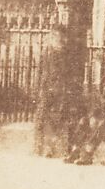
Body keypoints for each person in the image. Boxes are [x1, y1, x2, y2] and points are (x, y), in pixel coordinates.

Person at [34, 24, 81, 158]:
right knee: (44, 118)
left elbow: (71, 73)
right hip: (47, 88)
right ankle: (45, 147)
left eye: (59, 36)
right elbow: (41, 71)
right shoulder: (47, 52)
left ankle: (65, 148)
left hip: (62, 90)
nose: (57, 38)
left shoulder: (67, 53)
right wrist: (39, 88)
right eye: (54, 35)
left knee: (64, 117)